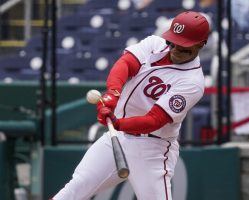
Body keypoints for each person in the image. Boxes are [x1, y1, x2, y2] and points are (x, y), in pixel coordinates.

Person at [52, 11, 210, 200]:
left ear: (200, 44)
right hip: (116, 137)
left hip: (153, 147)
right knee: (75, 189)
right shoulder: (154, 43)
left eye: (183, 47)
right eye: (172, 42)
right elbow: (125, 64)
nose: (175, 50)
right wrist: (112, 95)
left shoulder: (192, 82)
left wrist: (117, 123)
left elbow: (154, 120)